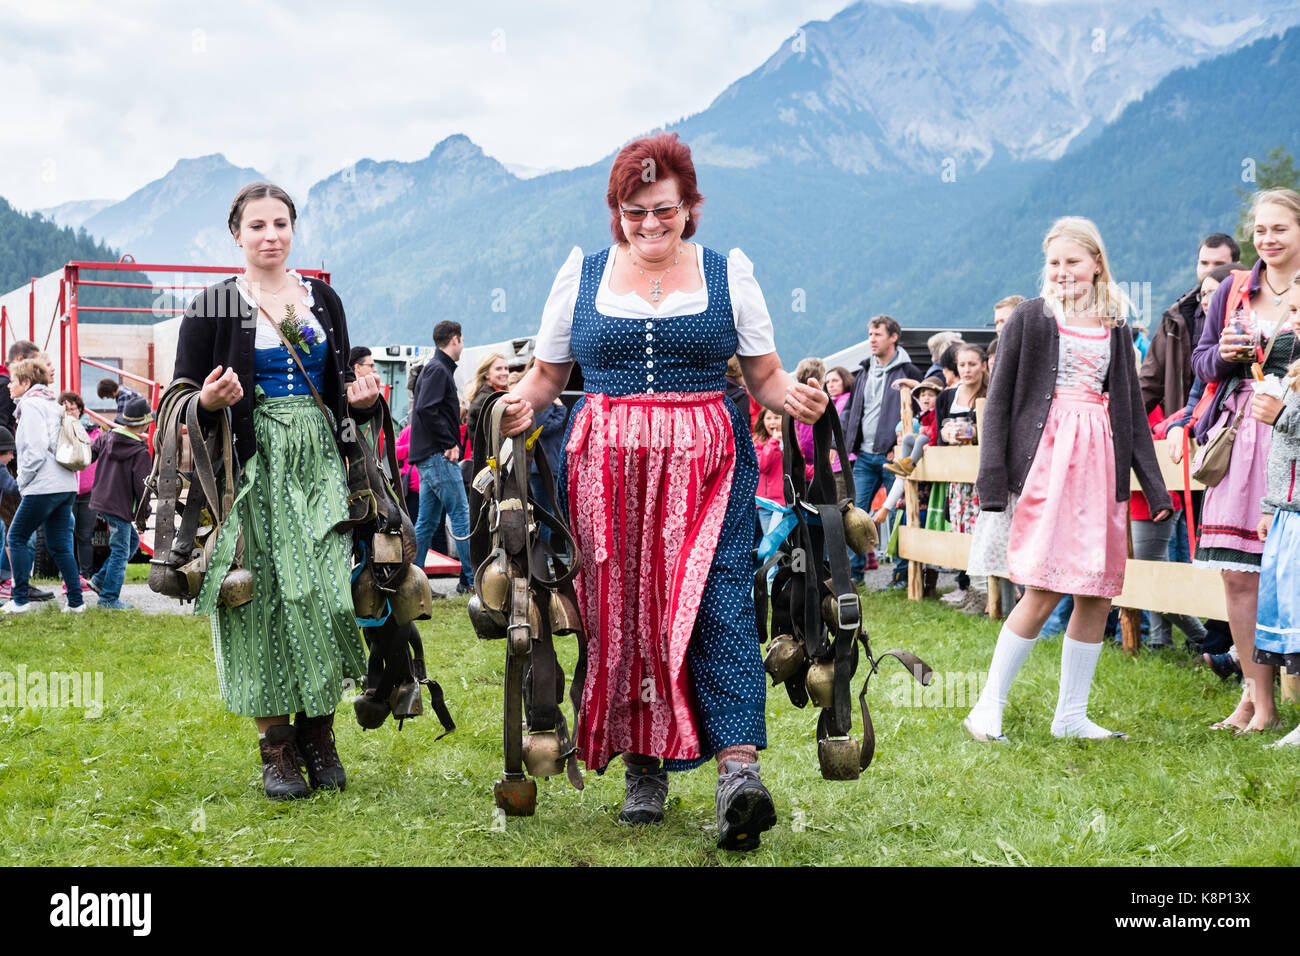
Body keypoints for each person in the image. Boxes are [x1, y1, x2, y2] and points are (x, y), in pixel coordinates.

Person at [496, 132, 827, 851]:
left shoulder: (727, 273)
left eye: (664, 210)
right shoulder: (581, 275)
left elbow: (764, 376)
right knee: (623, 615)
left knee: (719, 605)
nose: (649, 225)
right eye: (634, 211)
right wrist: (520, 407)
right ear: (617, 210)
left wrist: (791, 398)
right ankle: (644, 768)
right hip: (605, 474)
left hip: (710, 467)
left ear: (690, 206)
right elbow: (548, 379)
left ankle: (739, 774)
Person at [172, 182, 381, 799]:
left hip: (317, 460)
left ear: (294, 230)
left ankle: (320, 730)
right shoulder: (214, 306)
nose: (271, 235)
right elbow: (178, 396)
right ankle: (278, 748)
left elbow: (338, 387)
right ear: (236, 233)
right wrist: (207, 401)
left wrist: (362, 406)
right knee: (258, 599)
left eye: (281, 224)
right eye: (257, 225)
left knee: (324, 594)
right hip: (250, 464)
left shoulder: (321, 298)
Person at [964, 217, 1171, 743]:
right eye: (1054, 263)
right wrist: (992, 482)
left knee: (1096, 594)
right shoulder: (1031, 319)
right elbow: (1001, 403)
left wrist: (1153, 486)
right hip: (1047, 462)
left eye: (1073, 262)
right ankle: (987, 706)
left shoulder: (1115, 323)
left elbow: (1128, 406)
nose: (1062, 273)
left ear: (1096, 263)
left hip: (1098, 458)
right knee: (1043, 587)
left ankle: (1071, 715)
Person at [1190, 188, 1300, 734]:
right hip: (1239, 437)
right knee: (1238, 576)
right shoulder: (1234, 289)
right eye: (1260, 230)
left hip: (1291, 438)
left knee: (1290, 570)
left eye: (1279, 228)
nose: (1267, 239)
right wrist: (1227, 356)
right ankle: (1256, 699)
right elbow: (1201, 361)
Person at [1250, 286, 1300, 747]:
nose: (1295, 319)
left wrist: (1284, 415)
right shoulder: (1295, 369)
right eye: (1295, 309)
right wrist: (1270, 505)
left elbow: (1290, 428)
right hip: (1289, 510)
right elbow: (1282, 451)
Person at [2, 357, 86, 613]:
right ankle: (76, 602)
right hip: (66, 484)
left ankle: (19, 601)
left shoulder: (30, 406)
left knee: (15, 537)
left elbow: (35, 451)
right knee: (60, 545)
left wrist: (22, 483)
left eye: (14, 381)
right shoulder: (54, 404)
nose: (8, 386)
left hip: (43, 485)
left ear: (26, 382)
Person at [841, 315, 922, 579]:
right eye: (870, 335)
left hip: (894, 457)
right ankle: (854, 574)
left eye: (878, 334)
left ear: (893, 337)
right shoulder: (864, 371)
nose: (872, 340)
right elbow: (851, 410)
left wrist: (897, 446)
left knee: (900, 512)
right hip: (863, 456)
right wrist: (836, 442)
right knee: (854, 513)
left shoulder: (908, 371)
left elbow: (921, 408)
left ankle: (901, 575)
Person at [1140, 233, 1240, 417]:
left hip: (1231, 418)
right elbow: (1150, 380)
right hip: (1184, 425)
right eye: (1204, 263)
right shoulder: (1175, 318)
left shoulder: (1247, 315)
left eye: (1218, 264)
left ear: (1236, 267)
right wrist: (1123, 422)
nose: (1209, 270)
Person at [409, 321, 473, 591]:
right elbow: (426, 408)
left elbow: (424, 408)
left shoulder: (433, 367)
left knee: (426, 522)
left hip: (427, 456)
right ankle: (470, 581)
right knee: (461, 514)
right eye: (461, 340)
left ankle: (413, 583)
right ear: (455, 339)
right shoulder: (438, 369)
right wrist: (449, 441)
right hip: (438, 456)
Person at [935, 343, 988, 611]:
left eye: (972, 364)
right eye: (962, 365)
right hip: (957, 476)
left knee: (982, 531)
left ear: (983, 366)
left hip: (981, 475)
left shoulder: (989, 393)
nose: (966, 370)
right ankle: (970, 588)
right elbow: (940, 430)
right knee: (961, 529)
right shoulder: (947, 397)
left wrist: (973, 433)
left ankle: (985, 592)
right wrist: (947, 435)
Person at [87, 396, 152, 610]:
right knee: (120, 551)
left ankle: (98, 580)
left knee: (130, 542)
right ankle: (108, 599)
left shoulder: (105, 438)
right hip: (118, 506)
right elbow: (142, 489)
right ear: (144, 423)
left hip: (100, 501)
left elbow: (89, 455)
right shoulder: (140, 451)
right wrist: (145, 512)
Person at [60, 391, 98, 590]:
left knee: (85, 535)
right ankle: (68, 574)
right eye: (66, 409)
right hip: (68, 490)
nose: (70, 412)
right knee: (67, 534)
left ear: (80, 409)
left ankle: (86, 574)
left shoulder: (93, 432)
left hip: (88, 492)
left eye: (73, 408)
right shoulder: (61, 430)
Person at [465, 351, 509, 442]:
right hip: (490, 455)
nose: (505, 372)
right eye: (498, 369)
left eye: (506, 368)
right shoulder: (486, 400)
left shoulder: (494, 395)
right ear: (486, 374)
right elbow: (494, 437)